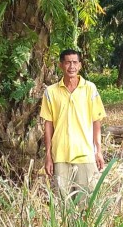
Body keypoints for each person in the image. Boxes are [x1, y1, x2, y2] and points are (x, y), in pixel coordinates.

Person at [41, 49, 107, 199]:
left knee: (87, 202)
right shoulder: (51, 92)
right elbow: (48, 125)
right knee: (63, 204)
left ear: (80, 65)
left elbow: (96, 121)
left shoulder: (90, 89)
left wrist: (98, 151)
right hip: (60, 155)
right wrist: (48, 155)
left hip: (85, 154)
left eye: (75, 62)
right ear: (61, 65)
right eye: (68, 62)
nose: (71, 66)